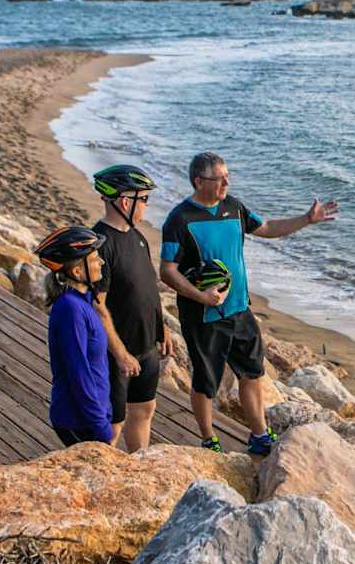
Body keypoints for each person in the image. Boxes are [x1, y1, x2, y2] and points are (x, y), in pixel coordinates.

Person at [159, 151, 338, 455]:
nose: (227, 182)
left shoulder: (234, 208)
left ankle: (258, 434)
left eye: (228, 175)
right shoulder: (179, 220)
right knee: (206, 383)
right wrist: (202, 296)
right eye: (220, 178)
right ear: (199, 181)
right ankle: (207, 439)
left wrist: (306, 220)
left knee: (252, 373)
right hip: (203, 316)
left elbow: (266, 228)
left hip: (240, 309)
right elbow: (167, 270)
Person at [92, 163, 169, 453]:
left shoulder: (137, 236)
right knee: (112, 425)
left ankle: (137, 466)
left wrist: (162, 328)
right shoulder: (100, 244)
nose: (146, 206)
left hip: (146, 345)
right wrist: (121, 354)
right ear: (126, 201)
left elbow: (147, 285)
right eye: (144, 199)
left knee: (145, 409)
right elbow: (98, 307)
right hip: (117, 354)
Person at [36, 225, 113, 447]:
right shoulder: (71, 310)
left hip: (90, 415)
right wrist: (100, 425)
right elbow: (78, 372)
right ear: (78, 272)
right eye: (95, 259)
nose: (102, 263)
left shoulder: (83, 301)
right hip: (79, 421)